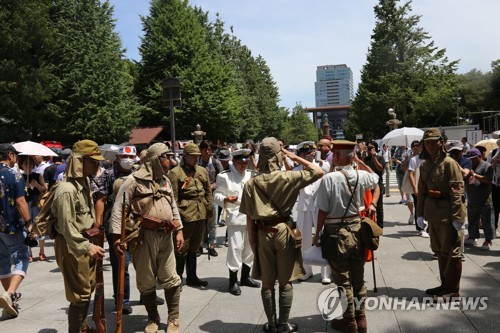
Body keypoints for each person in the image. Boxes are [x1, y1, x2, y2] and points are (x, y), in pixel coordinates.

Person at [240, 137, 325, 333]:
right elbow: (318, 171)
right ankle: (284, 324)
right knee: (285, 281)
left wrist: (253, 242)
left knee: (267, 282)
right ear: (279, 155)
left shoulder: (251, 184)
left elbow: (249, 218)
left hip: (262, 232)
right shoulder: (289, 177)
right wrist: (294, 156)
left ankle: (271, 324)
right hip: (284, 231)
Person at [110, 143, 183, 333]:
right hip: (143, 237)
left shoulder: (165, 181)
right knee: (146, 279)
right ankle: (153, 318)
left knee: (170, 277)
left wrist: (179, 230)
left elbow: (173, 206)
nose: (170, 160)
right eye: (166, 157)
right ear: (155, 160)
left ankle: (173, 318)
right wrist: (118, 238)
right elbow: (119, 209)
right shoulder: (133, 181)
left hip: (166, 236)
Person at [314, 140, 379, 333]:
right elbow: (376, 178)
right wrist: (361, 162)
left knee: (342, 279)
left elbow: (322, 211)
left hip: (336, 233)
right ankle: (362, 318)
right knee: (358, 278)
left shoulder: (330, 179)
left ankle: (349, 320)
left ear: (335, 157)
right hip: (357, 230)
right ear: (352, 157)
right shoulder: (362, 175)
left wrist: (317, 234)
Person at [51, 140, 106, 332]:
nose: (97, 165)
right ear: (79, 161)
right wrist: (87, 247)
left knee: (87, 289)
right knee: (79, 295)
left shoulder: (84, 182)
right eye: (93, 161)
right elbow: (67, 228)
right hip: (73, 246)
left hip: (83, 243)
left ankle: (82, 327)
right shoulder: (67, 190)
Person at [416, 128, 466, 302]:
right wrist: (419, 214)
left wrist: (458, 218)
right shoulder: (425, 165)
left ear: (441, 143)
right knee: (439, 250)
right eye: (427, 142)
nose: (430, 145)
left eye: (433, 141)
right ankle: (444, 285)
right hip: (433, 214)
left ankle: (453, 290)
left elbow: (457, 191)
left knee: (452, 251)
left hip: (448, 214)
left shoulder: (449, 163)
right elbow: (421, 191)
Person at [213, 148, 260, 296]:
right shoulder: (225, 176)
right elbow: (216, 195)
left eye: (245, 163)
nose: (243, 166)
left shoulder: (252, 175)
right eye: (240, 163)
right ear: (233, 161)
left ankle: (245, 277)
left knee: (250, 248)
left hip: (251, 218)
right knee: (235, 249)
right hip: (235, 217)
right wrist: (225, 199)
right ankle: (233, 281)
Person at [168, 143, 213, 288]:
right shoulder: (175, 173)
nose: (195, 159)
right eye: (193, 156)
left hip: (200, 213)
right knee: (182, 247)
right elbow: (173, 198)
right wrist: (175, 218)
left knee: (194, 246)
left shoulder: (202, 170)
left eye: (197, 156)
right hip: (185, 214)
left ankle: (192, 277)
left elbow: (208, 191)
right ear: (185, 156)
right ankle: (178, 277)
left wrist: (209, 209)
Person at [293, 141, 331, 284]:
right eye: (305, 154)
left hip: (321, 206)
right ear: (300, 155)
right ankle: (306, 270)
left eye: (311, 153)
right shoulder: (296, 170)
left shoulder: (323, 166)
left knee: (323, 237)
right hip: (304, 207)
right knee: (304, 240)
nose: (309, 156)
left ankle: (326, 273)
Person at [0, 144, 31, 318]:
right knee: (22, 256)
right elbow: (20, 201)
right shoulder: (14, 174)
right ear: (10, 155)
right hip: (12, 226)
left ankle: (10, 299)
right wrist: (29, 223)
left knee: (2, 262)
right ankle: (10, 293)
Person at [463, 148, 494, 250]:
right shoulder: (469, 166)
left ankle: (488, 240)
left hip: (484, 199)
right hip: (472, 198)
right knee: (472, 219)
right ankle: (472, 237)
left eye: (473, 158)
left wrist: (475, 175)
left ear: (479, 156)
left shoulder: (487, 166)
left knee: (487, 220)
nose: (471, 160)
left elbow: (488, 180)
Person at [198, 140, 223, 257]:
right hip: (199, 196)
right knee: (200, 222)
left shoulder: (216, 163)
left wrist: (213, 185)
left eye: (209, 150)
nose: (208, 152)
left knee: (212, 222)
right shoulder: (197, 163)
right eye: (205, 150)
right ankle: (200, 245)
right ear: (201, 151)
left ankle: (211, 245)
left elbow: (222, 178)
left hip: (212, 195)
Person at [364, 141, 385, 228]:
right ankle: (368, 224)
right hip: (367, 186)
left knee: (379, 207)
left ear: (375, 148)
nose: (369, 149)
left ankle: (380, 226)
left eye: (371, 147)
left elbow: (380, 169)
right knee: (367, 205)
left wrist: (374, 157)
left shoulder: (380, 158)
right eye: (368, 148)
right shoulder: (365, 159)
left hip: (378, 185)